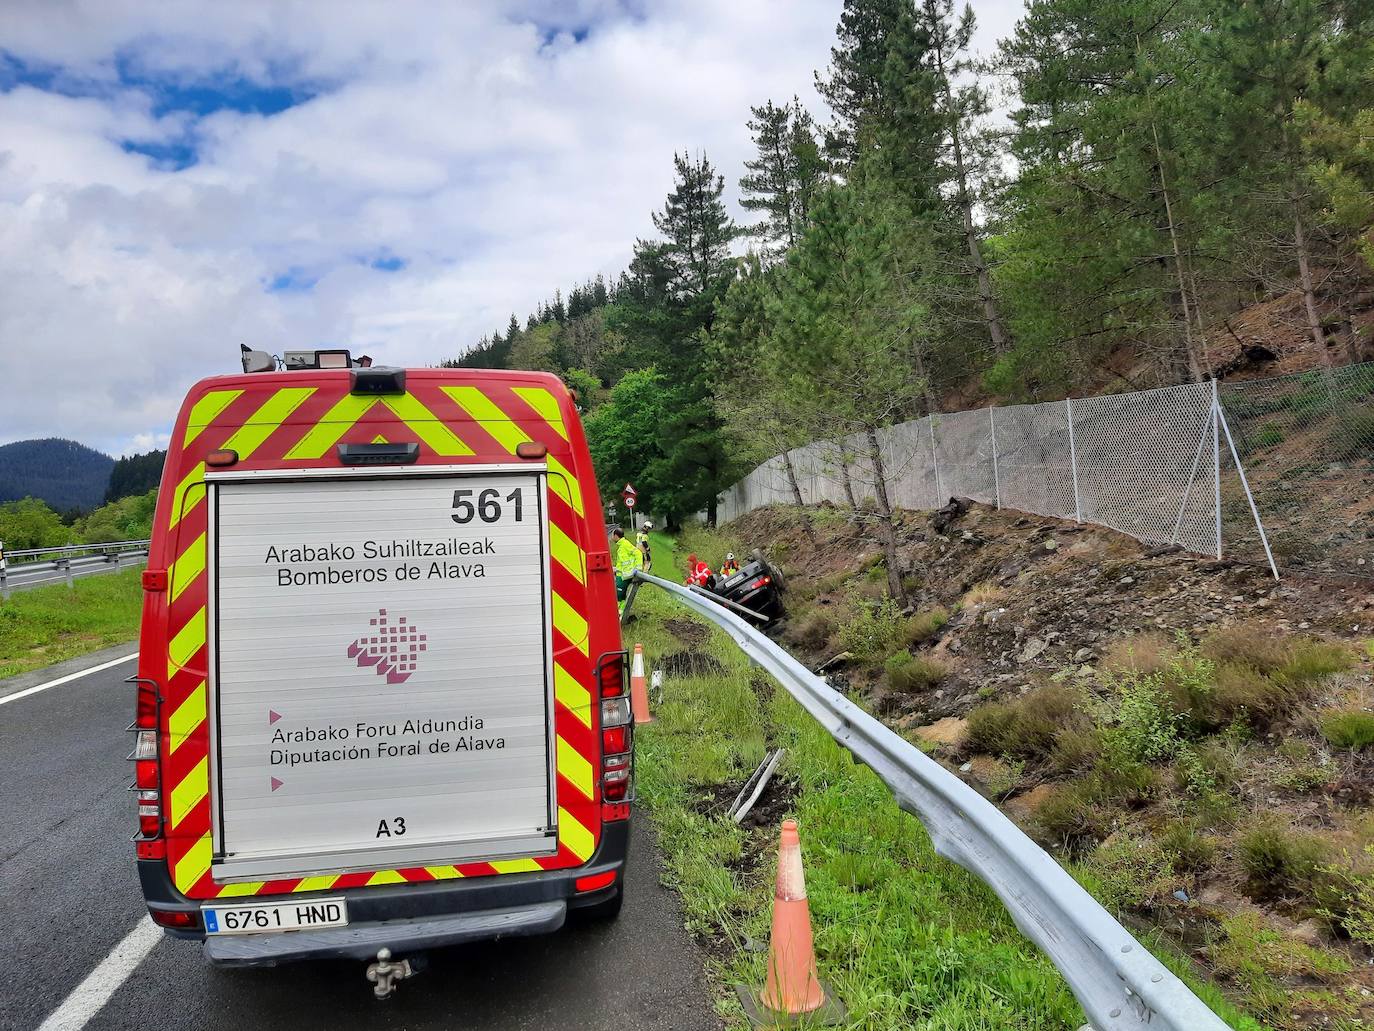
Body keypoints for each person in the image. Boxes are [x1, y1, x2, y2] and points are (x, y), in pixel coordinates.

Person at [612, 527, 642, 601]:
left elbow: (638, 553)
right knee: (619, 596)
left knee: (619, 595)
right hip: (622, 574)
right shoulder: (622, 545)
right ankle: (620, 610)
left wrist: (638, 568)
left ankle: (619, 611)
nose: (612, 538)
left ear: (616, 536)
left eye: (613, 536)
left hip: (625, 575)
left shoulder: (625, 544)